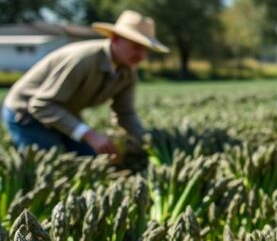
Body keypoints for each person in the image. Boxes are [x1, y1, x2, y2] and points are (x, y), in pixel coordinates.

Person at [2, 10, 168, 156]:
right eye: (136, 47)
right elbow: (40, 104)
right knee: (50, 162)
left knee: (91, 157)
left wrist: (146, 142)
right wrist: (90, 135)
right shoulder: (83, 60)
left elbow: (125, 113)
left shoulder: (128, 72)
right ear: (116, 39)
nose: (142, 55)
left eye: (146, 49)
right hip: (26, 114)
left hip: (64, 114)